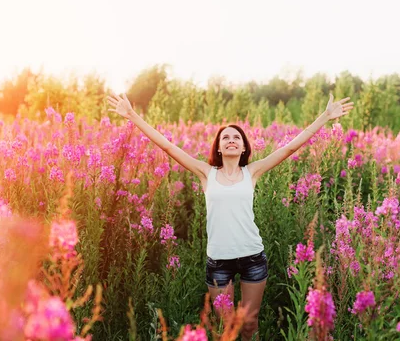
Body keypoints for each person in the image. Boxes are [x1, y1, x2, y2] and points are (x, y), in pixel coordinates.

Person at [107, 92, 354, 340]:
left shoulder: (252, 172)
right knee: (226, 329)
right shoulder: (206, 174)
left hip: (252, 258)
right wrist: (131, 115)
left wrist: (325, 116)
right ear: (219, 147)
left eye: (237, 137)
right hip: (219, 263)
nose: (231, 140)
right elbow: (167, 146)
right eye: (226, 137)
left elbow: (290, 147)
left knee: (248, 325)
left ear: (245, 146)